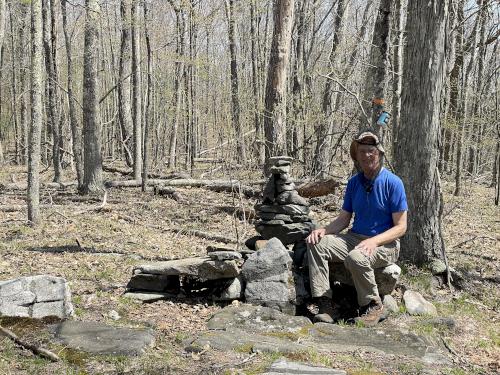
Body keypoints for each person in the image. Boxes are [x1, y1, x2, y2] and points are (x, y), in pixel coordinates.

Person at [306, 130, 408, 326]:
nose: (367, 155)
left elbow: (401, 227)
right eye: (362, 151)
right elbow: (344, 219)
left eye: (371, 150)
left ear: (379, 153)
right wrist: (324, 230)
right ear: (357, 156)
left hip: (385, 244)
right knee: (317, 243)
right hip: (354, 237)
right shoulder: (354, 183)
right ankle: (326, 303)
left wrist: (374, 241)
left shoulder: (393, 183)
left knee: (356, 256)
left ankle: (372, 305)